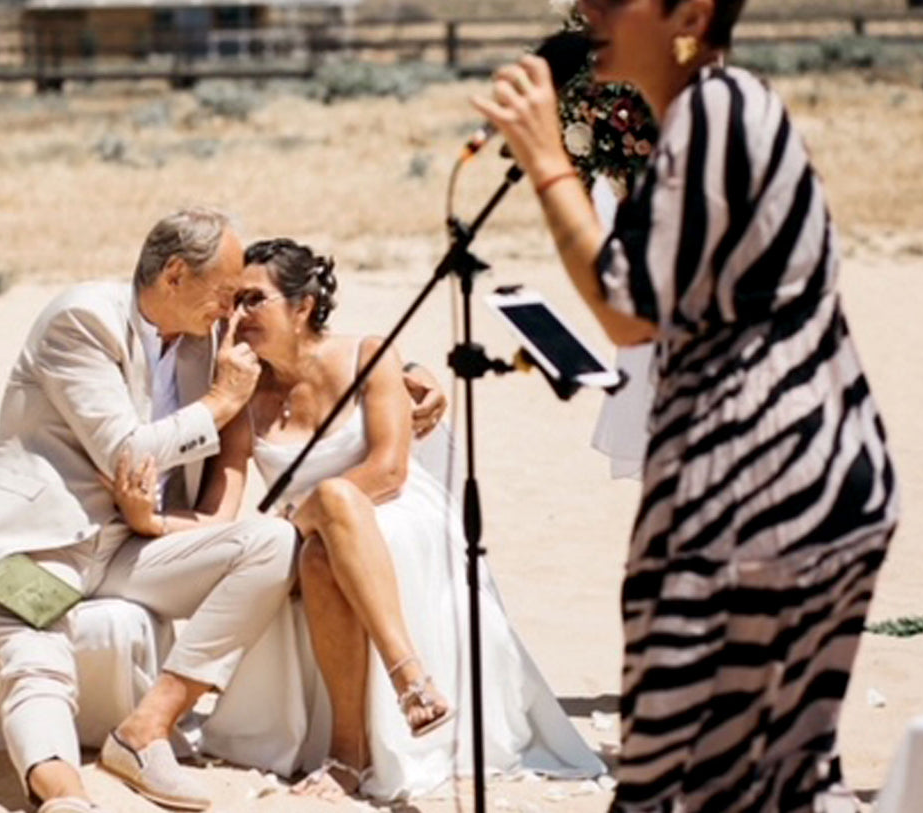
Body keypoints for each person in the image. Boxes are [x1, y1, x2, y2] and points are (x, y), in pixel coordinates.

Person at [471, 1, 900, 811]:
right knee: (775, 780)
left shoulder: (714, 112)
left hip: (755, 495)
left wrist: (547, 163)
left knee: (674, 781)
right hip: (808, 482)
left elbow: (628, 313)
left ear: (691, 14)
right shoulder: (718, 113)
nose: (586, 9)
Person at [108, 238, 607, 802]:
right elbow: (220, 516)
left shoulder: (369, 354)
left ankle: (393, 687)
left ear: (302, 306)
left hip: (398, 516)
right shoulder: (242, 396)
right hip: (311, 533)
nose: (237, 316)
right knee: (319, 554)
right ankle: (369, 729)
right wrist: (150, 522)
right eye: (234, 303)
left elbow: (389, 471)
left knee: (336, 502)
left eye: (254, 300)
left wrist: (306, 515)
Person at [0, 207, 296, 813]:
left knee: (272, 544)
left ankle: (143, 733)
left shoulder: (204, 339)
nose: (229, 310)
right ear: (173, 275)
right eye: (223, 293)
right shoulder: (81, 318)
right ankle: (64, 797)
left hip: (128, 549)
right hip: (30, 546)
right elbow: (130, 455)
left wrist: (408, 377)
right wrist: (219, 404)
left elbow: (302, 354)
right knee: (36, 662)